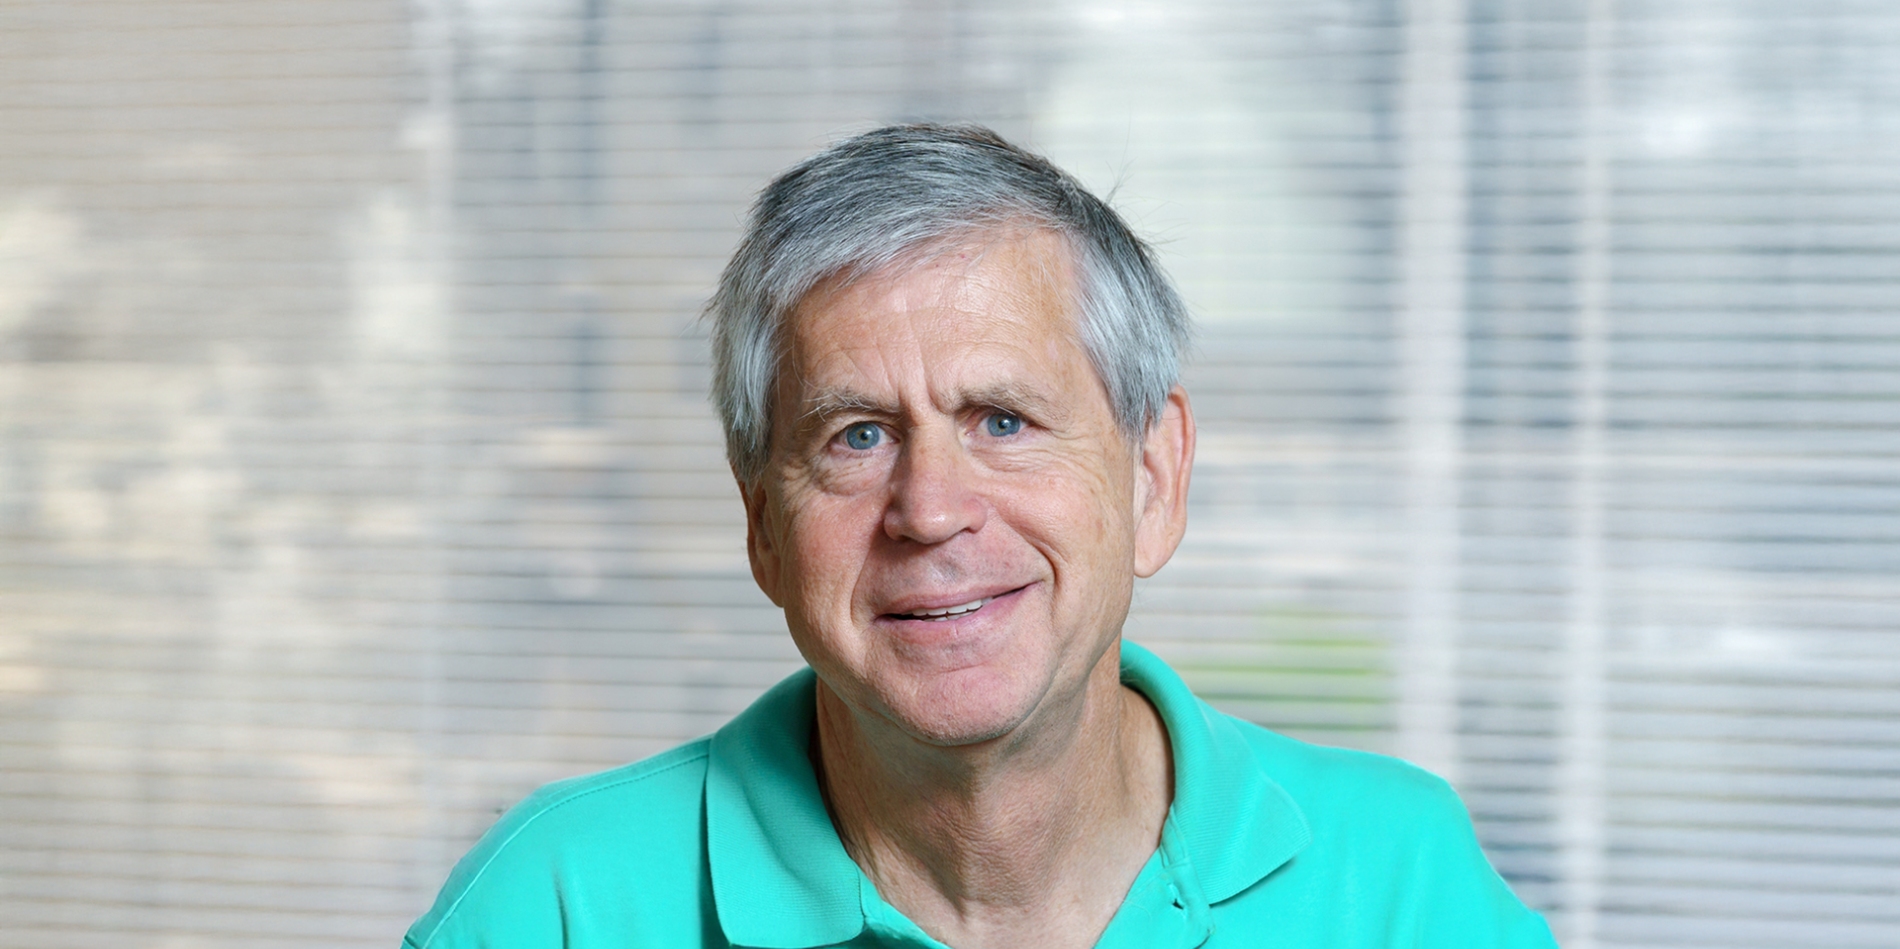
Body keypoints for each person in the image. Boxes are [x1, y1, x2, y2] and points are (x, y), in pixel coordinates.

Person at [402, 124, 1557, 949]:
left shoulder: (1400, 878)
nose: (930, 511)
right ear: (761, 524)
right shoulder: (555, 903)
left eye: (1002, 420)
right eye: (855, 437)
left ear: (1152, 477)